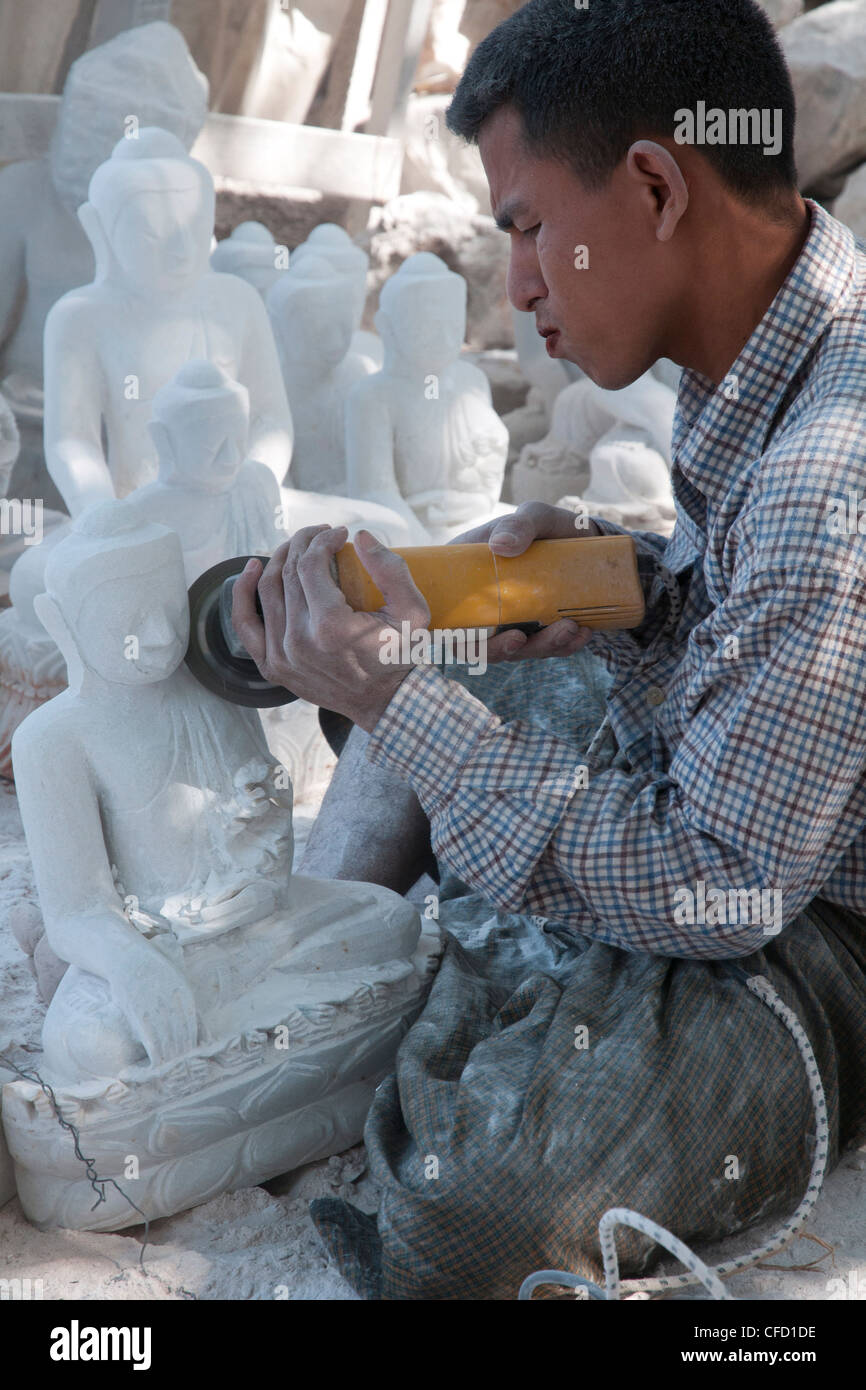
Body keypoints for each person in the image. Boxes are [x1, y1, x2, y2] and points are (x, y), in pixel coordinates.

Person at [231, 0, 866, 1299]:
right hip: (762, 802)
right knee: (455, 633)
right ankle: (342, 942)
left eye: (525, 227)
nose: (514, 284)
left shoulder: (824, 480)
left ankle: (467, 966)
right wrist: (632, 585)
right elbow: (752, 627)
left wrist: (400, 705)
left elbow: (724, 885)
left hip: (808, 924)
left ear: (650, 186)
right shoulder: (777, 329)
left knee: (476, 1206)